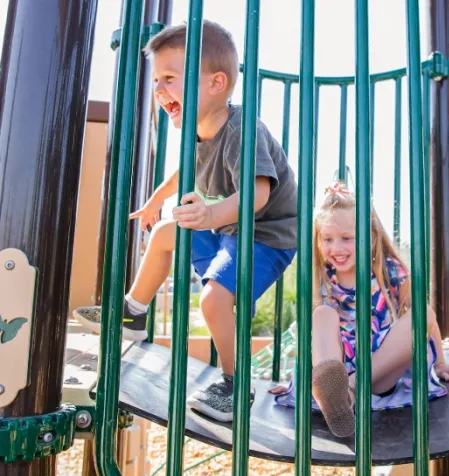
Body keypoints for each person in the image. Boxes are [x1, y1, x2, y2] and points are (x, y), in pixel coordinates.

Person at [74, 21, 298, 423]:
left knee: (213, 299)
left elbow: (258, 193)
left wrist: (210, 213)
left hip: (267, 236)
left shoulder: (241, 130)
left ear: (215, 83)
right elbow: (184, 173)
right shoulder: (197, 129)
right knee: (163, 233)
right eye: (157, 79)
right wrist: (154, 202)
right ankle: (134, 313)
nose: (159, 89)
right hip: (229, 230)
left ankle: (235, 384)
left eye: (170, 79)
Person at [272, 182, 449, 438]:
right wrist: (293, 381)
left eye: (347, 238)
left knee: (422, 311)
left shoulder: (390, 272)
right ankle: (329, 389)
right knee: (320, 314)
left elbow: (427, 321)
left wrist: (440, 363)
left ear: (371, 237)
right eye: (327, 239)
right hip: (338, 363)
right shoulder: (321, 279)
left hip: (380, 371)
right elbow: (312, 337)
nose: (336, 248)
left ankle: (347, 391)